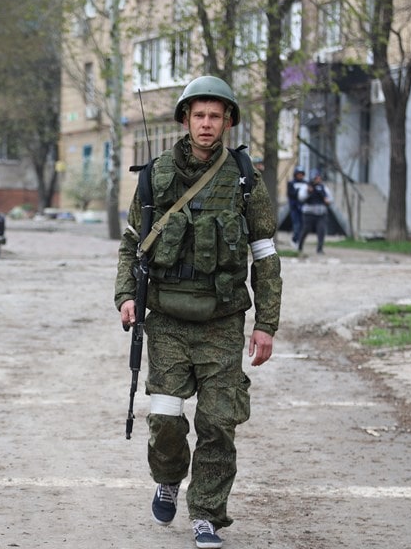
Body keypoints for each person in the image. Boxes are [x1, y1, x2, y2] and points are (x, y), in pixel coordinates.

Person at [114, 75, 282, 549]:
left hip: (223, 320)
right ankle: (168, 477)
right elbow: (131, 245)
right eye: (199, 115)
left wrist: (266, 323)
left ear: (228, 121)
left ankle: (207, 514)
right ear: (185, 119)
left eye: (216, 116)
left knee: (217, 424)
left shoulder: (246, 180)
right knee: (166, 417)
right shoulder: (156, 175)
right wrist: (126, 296)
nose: (207, 124)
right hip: (166, 318)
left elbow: (265, 255)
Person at [296, 170, 333, 254]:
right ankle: (299, 246)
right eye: (316, 178)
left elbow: (330, 199)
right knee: (306, 230)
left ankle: (319, 249)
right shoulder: (306, 186)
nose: (318, 179)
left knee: (321, 230)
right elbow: (301, 197)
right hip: (308, 213)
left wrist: (327, 200)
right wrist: (309, 192)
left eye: (319, 177)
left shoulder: (323, 187)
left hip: (321, 213)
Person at [286, 168, 306, 247]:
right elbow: (291, 194)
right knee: (296, 225)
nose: (300, 176)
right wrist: (298, 192)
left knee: (302, 225)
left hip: (303, 207)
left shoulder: (305, 183)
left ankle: (299, 240)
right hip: (294, 207)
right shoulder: (291, 183)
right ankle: (294, 239)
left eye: (301, 174)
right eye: (298, 174)